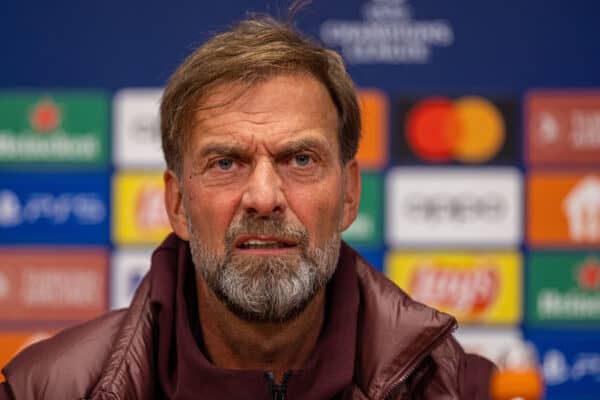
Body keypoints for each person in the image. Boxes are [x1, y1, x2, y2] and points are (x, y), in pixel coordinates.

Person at [0, 9, 495, 400]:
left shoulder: (457, 389)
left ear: (348, 195)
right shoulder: (43, 389)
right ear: (176, 204)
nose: (263, 197)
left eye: (300, 159)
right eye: (226, 162)